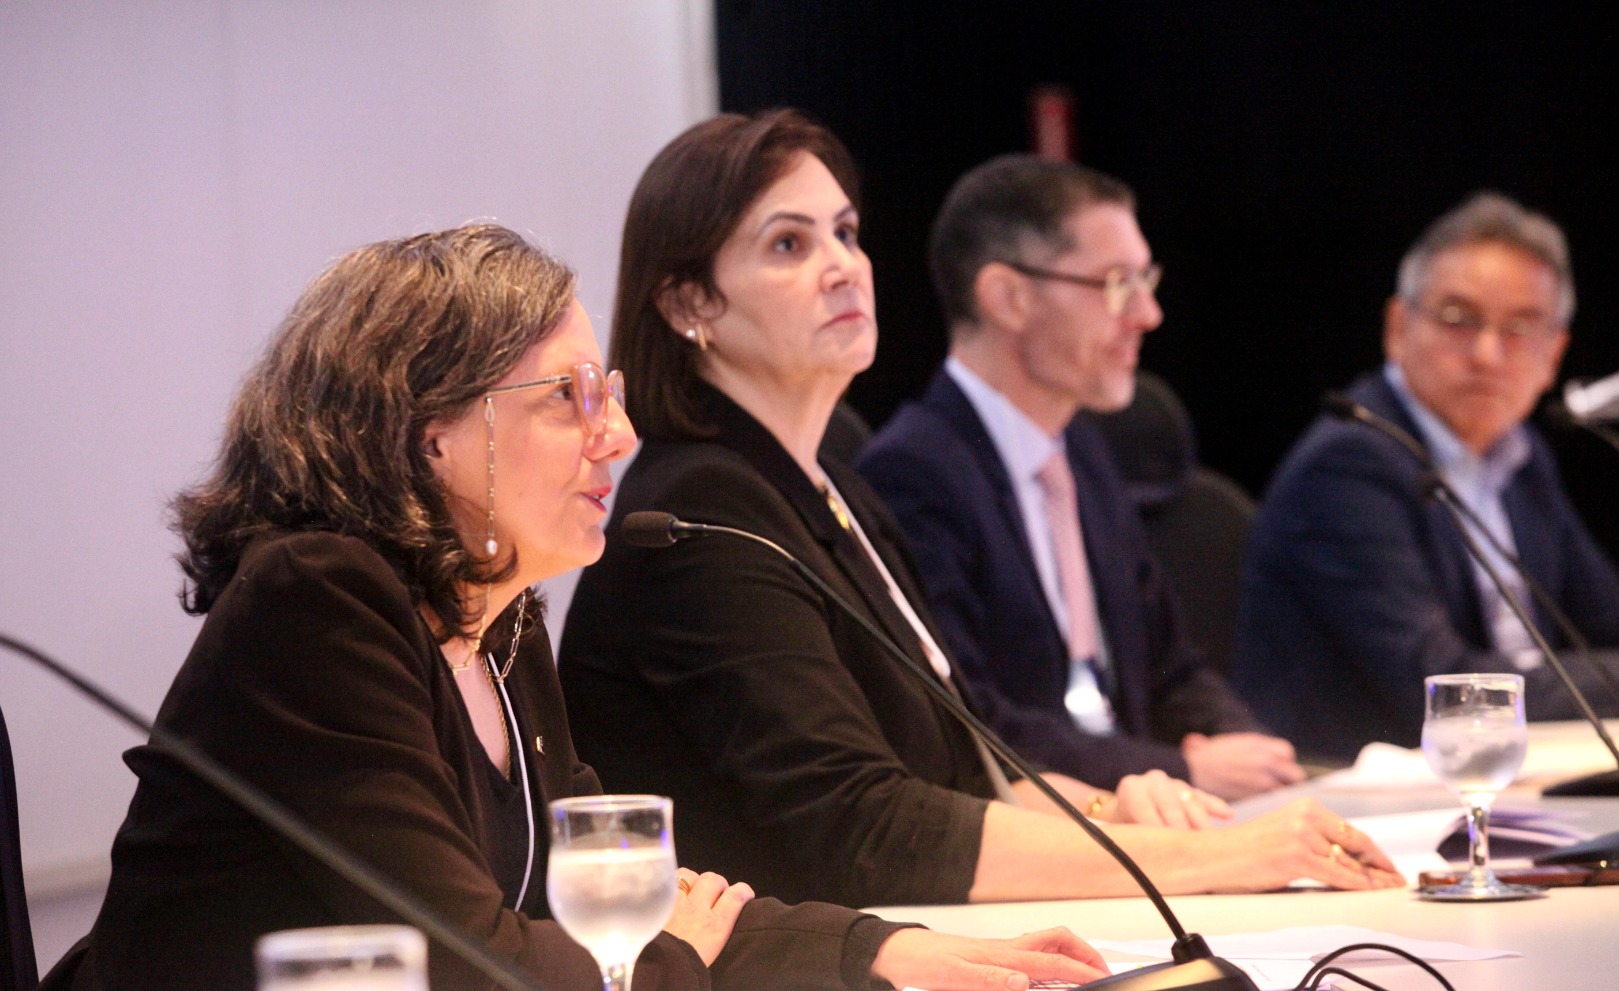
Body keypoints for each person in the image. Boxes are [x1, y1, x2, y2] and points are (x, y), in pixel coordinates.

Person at [0, 225, 1115, 991]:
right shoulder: (317, 598)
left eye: (610, 395)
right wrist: (669, 955)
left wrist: (871, 948)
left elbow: (614, 892)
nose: (617, 436)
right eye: (569, 398)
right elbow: (475, 970)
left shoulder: (498, 614)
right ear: (429, 432)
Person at [558, 110, 1400, 913]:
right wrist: (1218, 859)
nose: (843, 265)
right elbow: (861, 823)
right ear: (689, 304)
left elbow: (966, 766)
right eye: (789, 244)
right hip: (762, 980)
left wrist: (1116, 811)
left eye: (845, 233)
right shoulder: (699, 513)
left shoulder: (832, 489)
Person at [857, 155, 1303, 801]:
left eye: (1145, 279)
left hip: (1141, 805)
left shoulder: (1085, 451)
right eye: (1117, 283)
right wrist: (1179, 771)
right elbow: (967, 719)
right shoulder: (912, 473)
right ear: (1008, 298)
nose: (1147, 313)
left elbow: (1169, 665)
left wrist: (1245, 749)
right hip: (1041, 824)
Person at [1235, 192, 1619, 762]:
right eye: (1459, 319)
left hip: (1502, 768)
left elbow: (1601, 624)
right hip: (1351, 787)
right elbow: (1444, 689)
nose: (1487, 354)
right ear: (1397, 326)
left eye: (1519, 327)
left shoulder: (1522, 456)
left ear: (1554, 355)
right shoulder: (1349, 465)